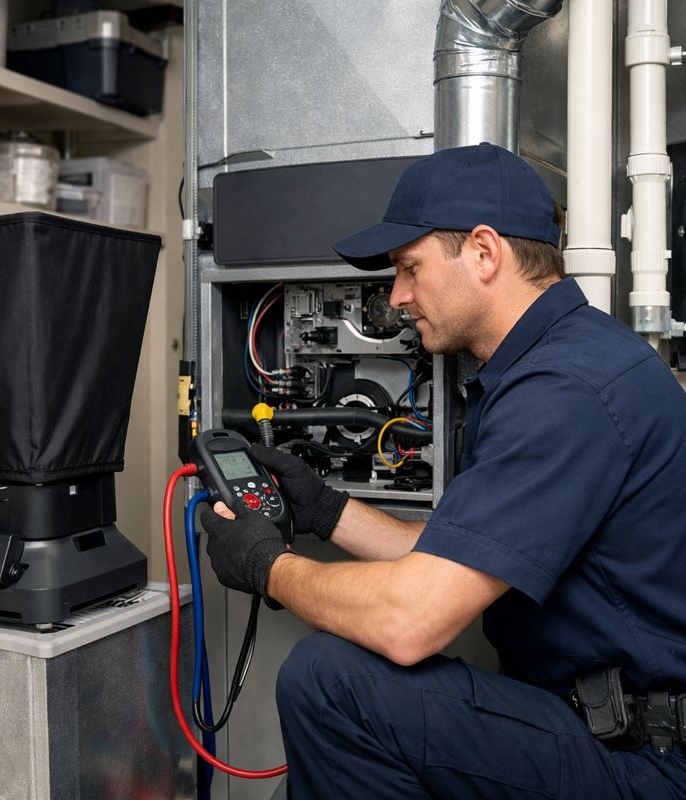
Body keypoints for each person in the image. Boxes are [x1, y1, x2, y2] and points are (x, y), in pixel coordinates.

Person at [200, 142, 686, 798]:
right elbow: (458, 554)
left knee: (331, 681)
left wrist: (268, 567)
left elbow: (411, 620)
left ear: (485, 253)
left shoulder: (567, 390)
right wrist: (325, 509)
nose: (398, 296)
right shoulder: (556, 364)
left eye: (410, 268)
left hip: (643, 765)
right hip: (601, 731)